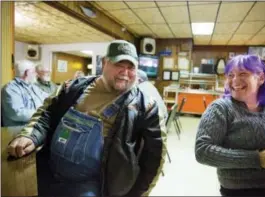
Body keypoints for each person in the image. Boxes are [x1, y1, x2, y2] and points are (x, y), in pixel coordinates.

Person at [7, 40, 167, 197]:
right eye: (119, 65)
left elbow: (154, 159)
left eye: (131, 67)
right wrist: (30, 135)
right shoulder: (72, 87)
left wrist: (138, 194)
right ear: (104, 62)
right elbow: (46, 113)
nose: (125, 72)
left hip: (93, 184)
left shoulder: (146, 107)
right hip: (48, 169)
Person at [195, 54, 265, 196]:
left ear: (261, 78)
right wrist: (257, 159)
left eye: (243, 74)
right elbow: (203, 151)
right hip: (239, 189)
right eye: (231, 75)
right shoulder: (221, 109)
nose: (235, 80)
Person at [1, 60, 49, 126]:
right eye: (34, 71)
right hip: (20, 131)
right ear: (27, 72)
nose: (36, 74)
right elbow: (17, 114)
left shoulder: (33, 86)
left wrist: (63, 89)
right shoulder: (11, 88)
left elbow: (48, 97)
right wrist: (42, 112)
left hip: (36, 127)